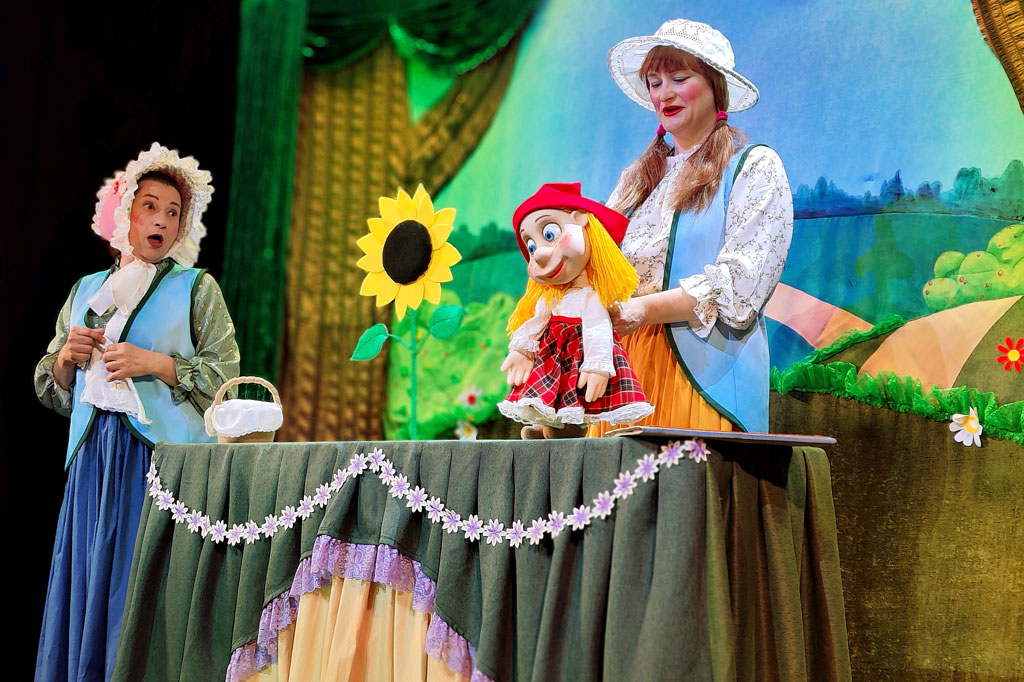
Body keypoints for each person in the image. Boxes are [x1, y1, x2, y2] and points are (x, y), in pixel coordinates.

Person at [34, 142, 240, 682]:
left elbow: (225, 378)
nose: (162, 221)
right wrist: (66, 359)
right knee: (87, 583)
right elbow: (52, 386)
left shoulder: (196, 289)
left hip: (156, 464)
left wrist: (157, 363)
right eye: (150, 207)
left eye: (173, 212)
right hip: (92, 463)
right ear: (124, 211)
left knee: (139, 586)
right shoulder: (86, 291)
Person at [589, 19, 794, 436]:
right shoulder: (636, 180)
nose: (664, 93)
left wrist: (642, 309)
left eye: (679, 79)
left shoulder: (752, 167)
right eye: (654, 83)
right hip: (625, 372)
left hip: (703, 376)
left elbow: (741, 285)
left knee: (684, 477)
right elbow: (597, 263)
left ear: (715, 86)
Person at [498, 182, 653, 438]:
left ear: (580, 220)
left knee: (583, 394)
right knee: (549, 394)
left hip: (581, 359)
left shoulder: (591, 297)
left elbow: (597, 329)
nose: (539, 255)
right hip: (552, 361)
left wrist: (597, 366)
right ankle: (553, 427)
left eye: (549, 234)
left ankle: (570, 428)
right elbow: (536, 323)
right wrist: (522, 350)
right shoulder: (550, 298)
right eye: (531, 247)